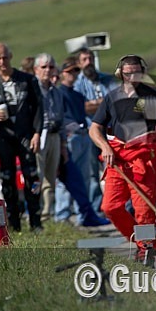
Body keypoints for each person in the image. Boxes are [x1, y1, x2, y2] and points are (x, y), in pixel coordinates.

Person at [89, 54, 156, 265]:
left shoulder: (153, 97)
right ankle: (138, 243)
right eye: (128, 73)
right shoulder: (112, 97)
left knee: (144, 210)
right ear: (121, 74)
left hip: (144, 158)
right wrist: (104, 146)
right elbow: (94, 128)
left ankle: (146, 250)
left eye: (136, 72)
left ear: (142, 72)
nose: (132, 77)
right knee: (110, 207)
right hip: (117, 159)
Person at [0, 43, 44, 233]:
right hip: (4, 137)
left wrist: (37, 132)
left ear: (11, 56)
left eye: (5, 57)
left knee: (32, 177)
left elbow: (39, 107)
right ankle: (14, 223)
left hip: (26, 135)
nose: (2, 62)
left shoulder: (27, 80)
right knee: (7, 179)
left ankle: (36, 222)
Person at [54, 58, 110, 227]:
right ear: (63, 73)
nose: (73, 75)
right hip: (69, 138)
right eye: (69, 71)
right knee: (66, 179)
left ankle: (84, 215)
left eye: (76, 71)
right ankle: (62, 216)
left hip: (83, 136)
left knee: (85, 177)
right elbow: (60, 117)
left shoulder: (78, 95)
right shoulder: (59, 93)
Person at [74, 47, 116, 213]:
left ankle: (116, 204)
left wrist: (95, 105)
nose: (88, 62)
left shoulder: (108, 79)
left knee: (113, 167)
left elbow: (117, 102)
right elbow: (80, 108)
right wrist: (104, 103)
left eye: (90, 58)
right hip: (90, 131)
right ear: (79, 63)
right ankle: (96, 208)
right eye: (84, 59)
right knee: (91, 172)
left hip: (111, 130)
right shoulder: (78, 84)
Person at [32, 53, 65, 218]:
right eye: (43, 67)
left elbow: (61, 118)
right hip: (39, 134)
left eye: (51, 67)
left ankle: (47, 213)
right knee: (38, 173)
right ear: (36, 69)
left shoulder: (56, 92)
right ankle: (36, 212)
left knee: (51, 176)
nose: (47, 70)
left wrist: (63, 143)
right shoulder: (32, 89)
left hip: (55, 135)